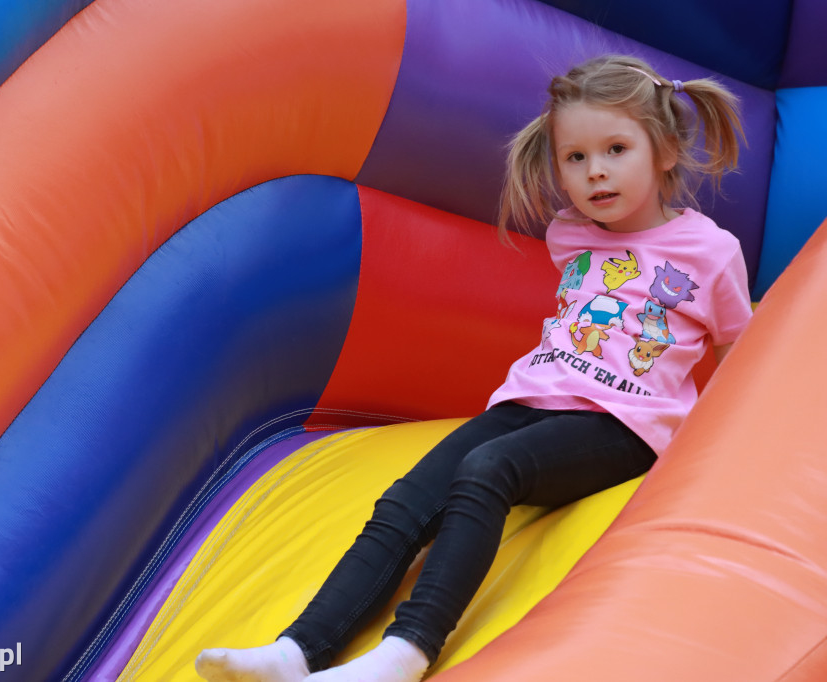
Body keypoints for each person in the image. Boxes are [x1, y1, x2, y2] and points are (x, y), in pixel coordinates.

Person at [195, 54, 753, 682]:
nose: (596, 171)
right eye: (575, 158)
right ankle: (298, 649)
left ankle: (407, 651)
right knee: (405, 500)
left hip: (623, 423)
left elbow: (742, 354)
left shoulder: (710, 251)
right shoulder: (571, 234)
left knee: (490, 470)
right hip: (529, 400)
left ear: (666, 151)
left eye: (617, 149)